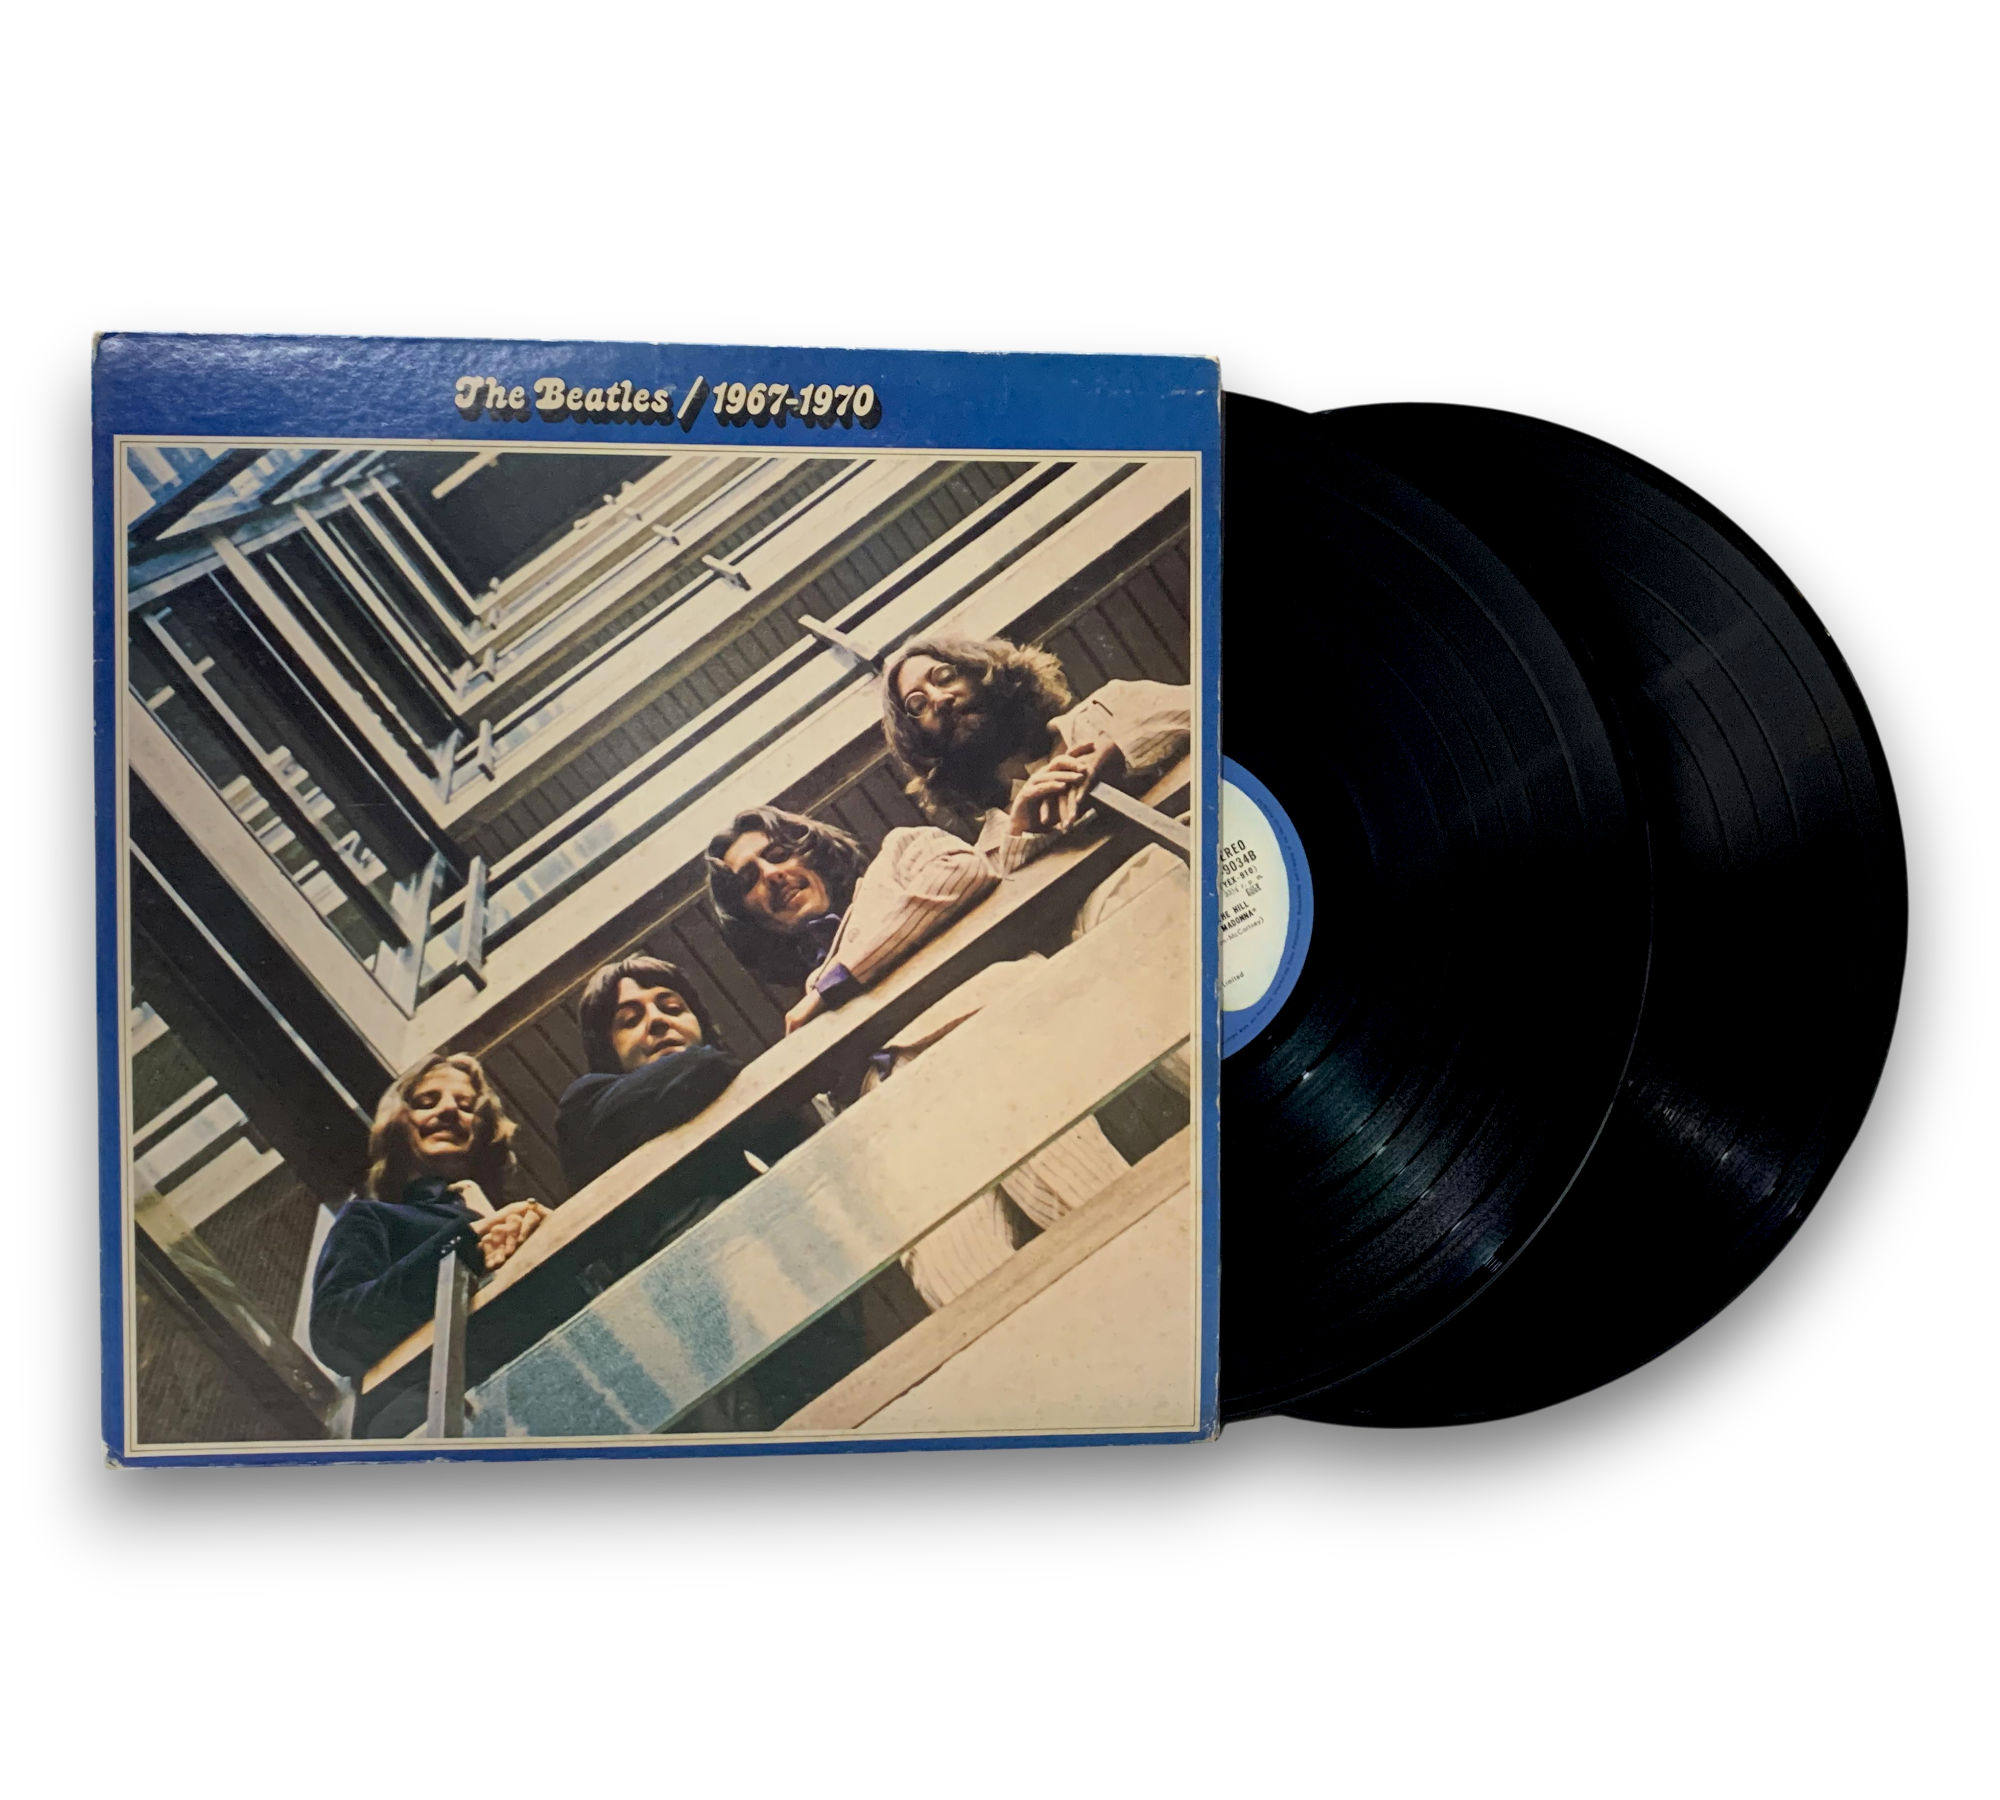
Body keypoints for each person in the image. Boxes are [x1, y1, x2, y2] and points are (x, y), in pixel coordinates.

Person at [555, 954, 865, 1427]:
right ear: (607, 1050)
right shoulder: (587, 1103)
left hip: (795, 1308)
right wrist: (709, 1060)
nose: (657, 1021)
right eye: (629, 1020)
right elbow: (695, 1072)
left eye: (671, 1007)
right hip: (684, 1332)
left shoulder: (735, 1094)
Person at [309, 1053, 549, 1382]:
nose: (450, 1109)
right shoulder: (370, 1217)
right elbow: (334, 1333)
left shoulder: (512, 1215)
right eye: (427, 1102)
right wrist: (461, 1248)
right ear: (398, 1123)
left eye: (466, 1106)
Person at [880, 633, 1192, 838]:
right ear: (923, 744)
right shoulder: (995, 847)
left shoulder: (1110, 707)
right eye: (918, 705)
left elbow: (1207, 710)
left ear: (981, 672)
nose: (939, 699)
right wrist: (1021, 832)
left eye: (945, 676)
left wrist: (1126, 750)